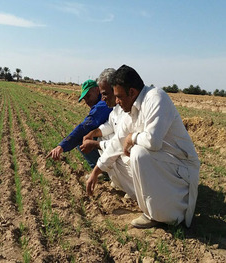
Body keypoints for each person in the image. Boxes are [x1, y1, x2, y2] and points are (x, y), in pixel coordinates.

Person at [86, 65, 200, 228]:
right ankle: (154, 209)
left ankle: (171, 214)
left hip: (182, 166)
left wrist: (133, 137)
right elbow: (116, 143)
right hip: (165, 165)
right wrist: (95, 172)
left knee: (139, 153)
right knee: (119, 157)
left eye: (119, 96)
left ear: (132, 92)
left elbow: (153, 142)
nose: (116, 101)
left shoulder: (155, 98)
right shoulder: (130, 111)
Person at [80, 68, 135, 199]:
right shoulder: (115, 110)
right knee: (104, 137)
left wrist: (94, 144)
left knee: (114, 151)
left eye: (105, 94)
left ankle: (133, 189)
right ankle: (120, 182)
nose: (103, 99)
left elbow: (117, 144)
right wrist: (93, 133)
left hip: (134, 160)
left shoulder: (127, 108)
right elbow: (110, 125)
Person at [47, 79, 112, 168]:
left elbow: (84, 127)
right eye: (85, 99)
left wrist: (61, 146)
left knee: (83, 140)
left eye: (88, 96)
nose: (87, 101)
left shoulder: (102, 105)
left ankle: (102, 169)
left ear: (97, 90)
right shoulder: (100, 102)